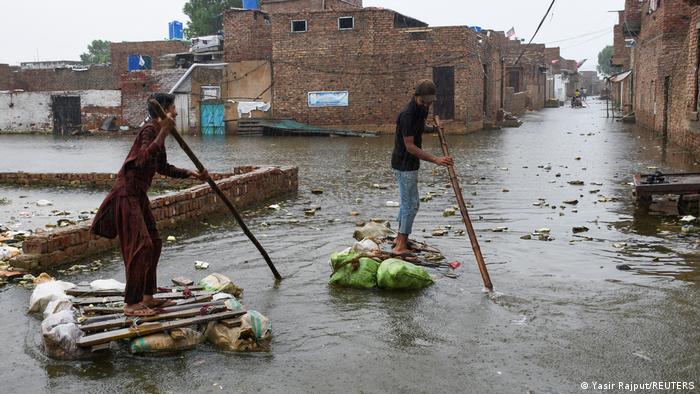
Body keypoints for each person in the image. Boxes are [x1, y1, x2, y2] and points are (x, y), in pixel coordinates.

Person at [90, 93, 208, 317]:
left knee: (154, 241)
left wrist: (191, 174)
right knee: (141, 245)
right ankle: (132, 304)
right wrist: (163, 131)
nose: (175, 112)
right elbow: (142, 158)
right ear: (163, 111)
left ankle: (147, 296)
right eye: (173, 108)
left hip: (139, 195)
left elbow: (162, 167)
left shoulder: (158, 135)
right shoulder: (149, 131)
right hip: (126, 194)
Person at [391, 80, 454, 255]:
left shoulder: (422, 108)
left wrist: (433, 129)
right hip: (403, 164)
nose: (427, 104)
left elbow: (419, 128)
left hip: (411, 164)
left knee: (407, 203)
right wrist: (436, 159)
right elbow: (410, 146)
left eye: (430, 101)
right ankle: (400, 246)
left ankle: (399, 238)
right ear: (416, 96)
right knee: (411, 204)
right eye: (424, 101)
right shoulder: (407, 114)